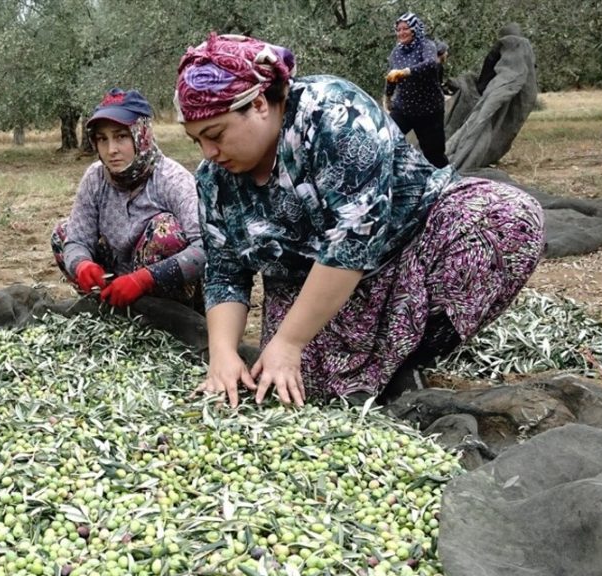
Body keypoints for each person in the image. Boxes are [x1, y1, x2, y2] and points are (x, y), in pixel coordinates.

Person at [174, 33, 544, 407]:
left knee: (510, 222)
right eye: (196, 141)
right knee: (304, 389)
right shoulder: (214, 180)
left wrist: (288, 342)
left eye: (215, 135)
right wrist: (222, 355)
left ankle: (405, 359)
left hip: (410, 244)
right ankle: (372, 367)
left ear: (257, 104)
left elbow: (352, 241)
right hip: (310, 288)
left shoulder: (335, 115)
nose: (208, 152)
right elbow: (224, 272)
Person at [52, 88, 205, 309]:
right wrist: (82, 264)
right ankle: (107, 305)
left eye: (121, 136)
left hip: (162, 289)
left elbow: (205, 247)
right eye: (102, 139)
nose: (111, 149)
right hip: (116, 279)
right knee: (62, 234)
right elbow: (77, 239)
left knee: (165, 231)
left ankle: (160, 315)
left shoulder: (172, 179)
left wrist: (144, 279)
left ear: (141, 135)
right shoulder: (95, 178)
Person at [384, 12, 449, 168]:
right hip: (403, 109)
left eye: (405, 28)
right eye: (398, 30)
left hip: (429, 111)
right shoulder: (396, 52)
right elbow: (392, 76)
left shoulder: (426, 46)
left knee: (434, 155)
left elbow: (431, 64)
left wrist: (406, 72)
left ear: (414, 29)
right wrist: (387, 97)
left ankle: (447, 183)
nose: (401, 33)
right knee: (386, 140)